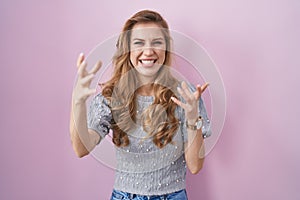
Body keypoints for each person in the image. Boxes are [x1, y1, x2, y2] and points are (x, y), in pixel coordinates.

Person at [70, 10, 211, 200]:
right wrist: (77, 102)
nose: (148, 51)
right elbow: (81, 149)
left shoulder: (186, 96)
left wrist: (193, 118)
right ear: (127, 49)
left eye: (157, 42)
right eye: (139, 43)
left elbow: (195, 166)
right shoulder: (112, 97)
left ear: (166, 49)